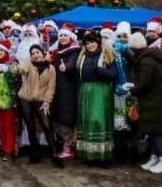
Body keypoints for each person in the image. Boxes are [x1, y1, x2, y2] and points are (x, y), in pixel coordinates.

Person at [129, 30, 162, 174]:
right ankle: (155, 157)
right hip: (154, 100)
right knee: (152, 132)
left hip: (155, 101)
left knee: (157, 131)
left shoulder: (145, 61)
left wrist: (132, 90)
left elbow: (144, 83)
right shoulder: (151, 58)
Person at [74, 30, 119, 166]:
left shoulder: (107, 55)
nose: (90, 45)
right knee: (86, 121)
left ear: (98, 42)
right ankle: (89, 154)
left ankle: (102, 155)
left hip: (101, 90)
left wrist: (102, 72)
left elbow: (113, 74)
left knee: (98, 120)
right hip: (86, 91)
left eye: (92, 42)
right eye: (87, 43)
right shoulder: (82, 57)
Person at [17, 44, 59, 166]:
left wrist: (46, 103)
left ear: (43, 52)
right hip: (26, 99)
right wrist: (22, 66)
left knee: (46, 126)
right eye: (32, 53)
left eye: (37, 52)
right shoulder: (29, 65)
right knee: (30, 127)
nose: (35, 55)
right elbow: (21, 69)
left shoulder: (50, 68)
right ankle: (35, 154)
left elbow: (51, 88)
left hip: (41, 100)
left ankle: (55, 154)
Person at [50, 27, 81, 161]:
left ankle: (69, 148)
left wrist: (66, 67)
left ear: (71, 37)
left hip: (68, 91)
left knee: (66, 119)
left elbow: (72, 64)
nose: (62, 37)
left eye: (65, 35)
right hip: (57, 90)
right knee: (58, 119)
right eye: (60, 35)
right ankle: (63, 146)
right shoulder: (56, 52)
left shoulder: (74, 51)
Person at [0, 39, 20, 161]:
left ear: (6, 51)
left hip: (8, 100)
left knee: (8, 126)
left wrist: (6, 69)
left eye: (1, 50)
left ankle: (9, 151)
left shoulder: (11, 63)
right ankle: (2, 148)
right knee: (0, 126)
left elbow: (15, 77)